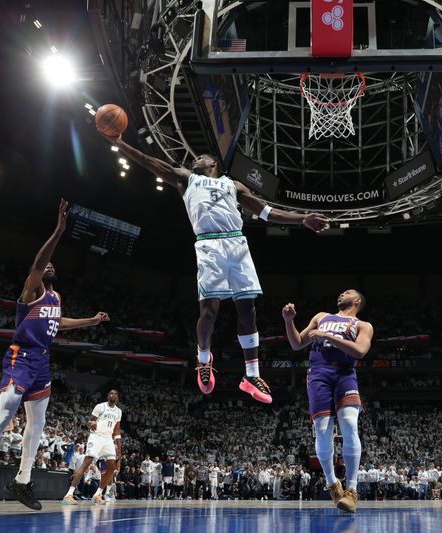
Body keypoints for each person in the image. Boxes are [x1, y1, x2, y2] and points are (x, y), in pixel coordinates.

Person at [102, 131, 330, 404]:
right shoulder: (187, 179)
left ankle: (251, 375)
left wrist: (302, 218)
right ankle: (203, 358)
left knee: (247, 310)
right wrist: (119, 142)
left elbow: (266, 211)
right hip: (209, 246)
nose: (195, 159)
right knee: (209, 312)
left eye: (200, 156)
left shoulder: (233, 185)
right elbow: (148, 161)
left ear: (213, 164)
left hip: (237, 245)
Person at [0, 199, 110, 516]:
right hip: (21, 357)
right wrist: (60, 230)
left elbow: (58, 323)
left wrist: (90, 321)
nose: (49, 265)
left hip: (42, 362)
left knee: (38, 424)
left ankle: (23, 480)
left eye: (52, 265)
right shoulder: (31, 291)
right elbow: (37, 262)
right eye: (45, 265)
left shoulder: (56, 297)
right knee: (2, 417)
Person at [282, 289, 374, 513]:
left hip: (344, 373)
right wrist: (288, 321)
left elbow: (360, 350)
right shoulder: (321, 316)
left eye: (348, 292)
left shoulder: (363, 325)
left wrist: (328, 337)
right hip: (318, 374)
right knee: (322, 430)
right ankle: (333, 483)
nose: (342, 293)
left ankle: (351, 490)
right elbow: (297, 343)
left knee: (350, 425)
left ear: (357, 301)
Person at [62, 389, 123, 505]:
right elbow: (90, 422)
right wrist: (91, 424)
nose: (113, 395)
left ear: (118, 397)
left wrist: (119, 448)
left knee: (111, 468)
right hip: (96, 437)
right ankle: (68, 494)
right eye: (111, 393)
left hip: (108, 439)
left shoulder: (119, 411)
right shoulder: (100, 407)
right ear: (108, 396)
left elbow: (117, 430)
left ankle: (97, 495)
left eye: (115, 394)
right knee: (86, 464)